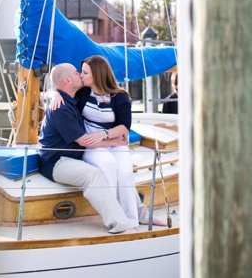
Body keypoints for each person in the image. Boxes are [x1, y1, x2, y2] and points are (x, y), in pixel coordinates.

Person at [37, 63, 138, 234]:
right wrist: (113, 141)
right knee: (94, 174)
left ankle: (139, 215)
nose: (80, 75)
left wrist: (54, 93)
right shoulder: (61, 107)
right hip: (56, 162)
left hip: (72, 158)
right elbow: (84, 141)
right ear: (68, 80)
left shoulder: (73, 97)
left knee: (123, 173)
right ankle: (119, 223)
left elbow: (56, 89)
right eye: (77, 73)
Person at [74, 55, 167, 227]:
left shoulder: (119, 97)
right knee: (108, 166)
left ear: (97, 75)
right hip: (93, 146)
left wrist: (105, 134)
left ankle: (131, 221)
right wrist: (55, 94)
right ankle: (114, 219)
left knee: (125, 175)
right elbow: (61, 89)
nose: (81, 75)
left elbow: (125, 126)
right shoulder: (83, 92)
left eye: (85, 73)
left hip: (114, 141)